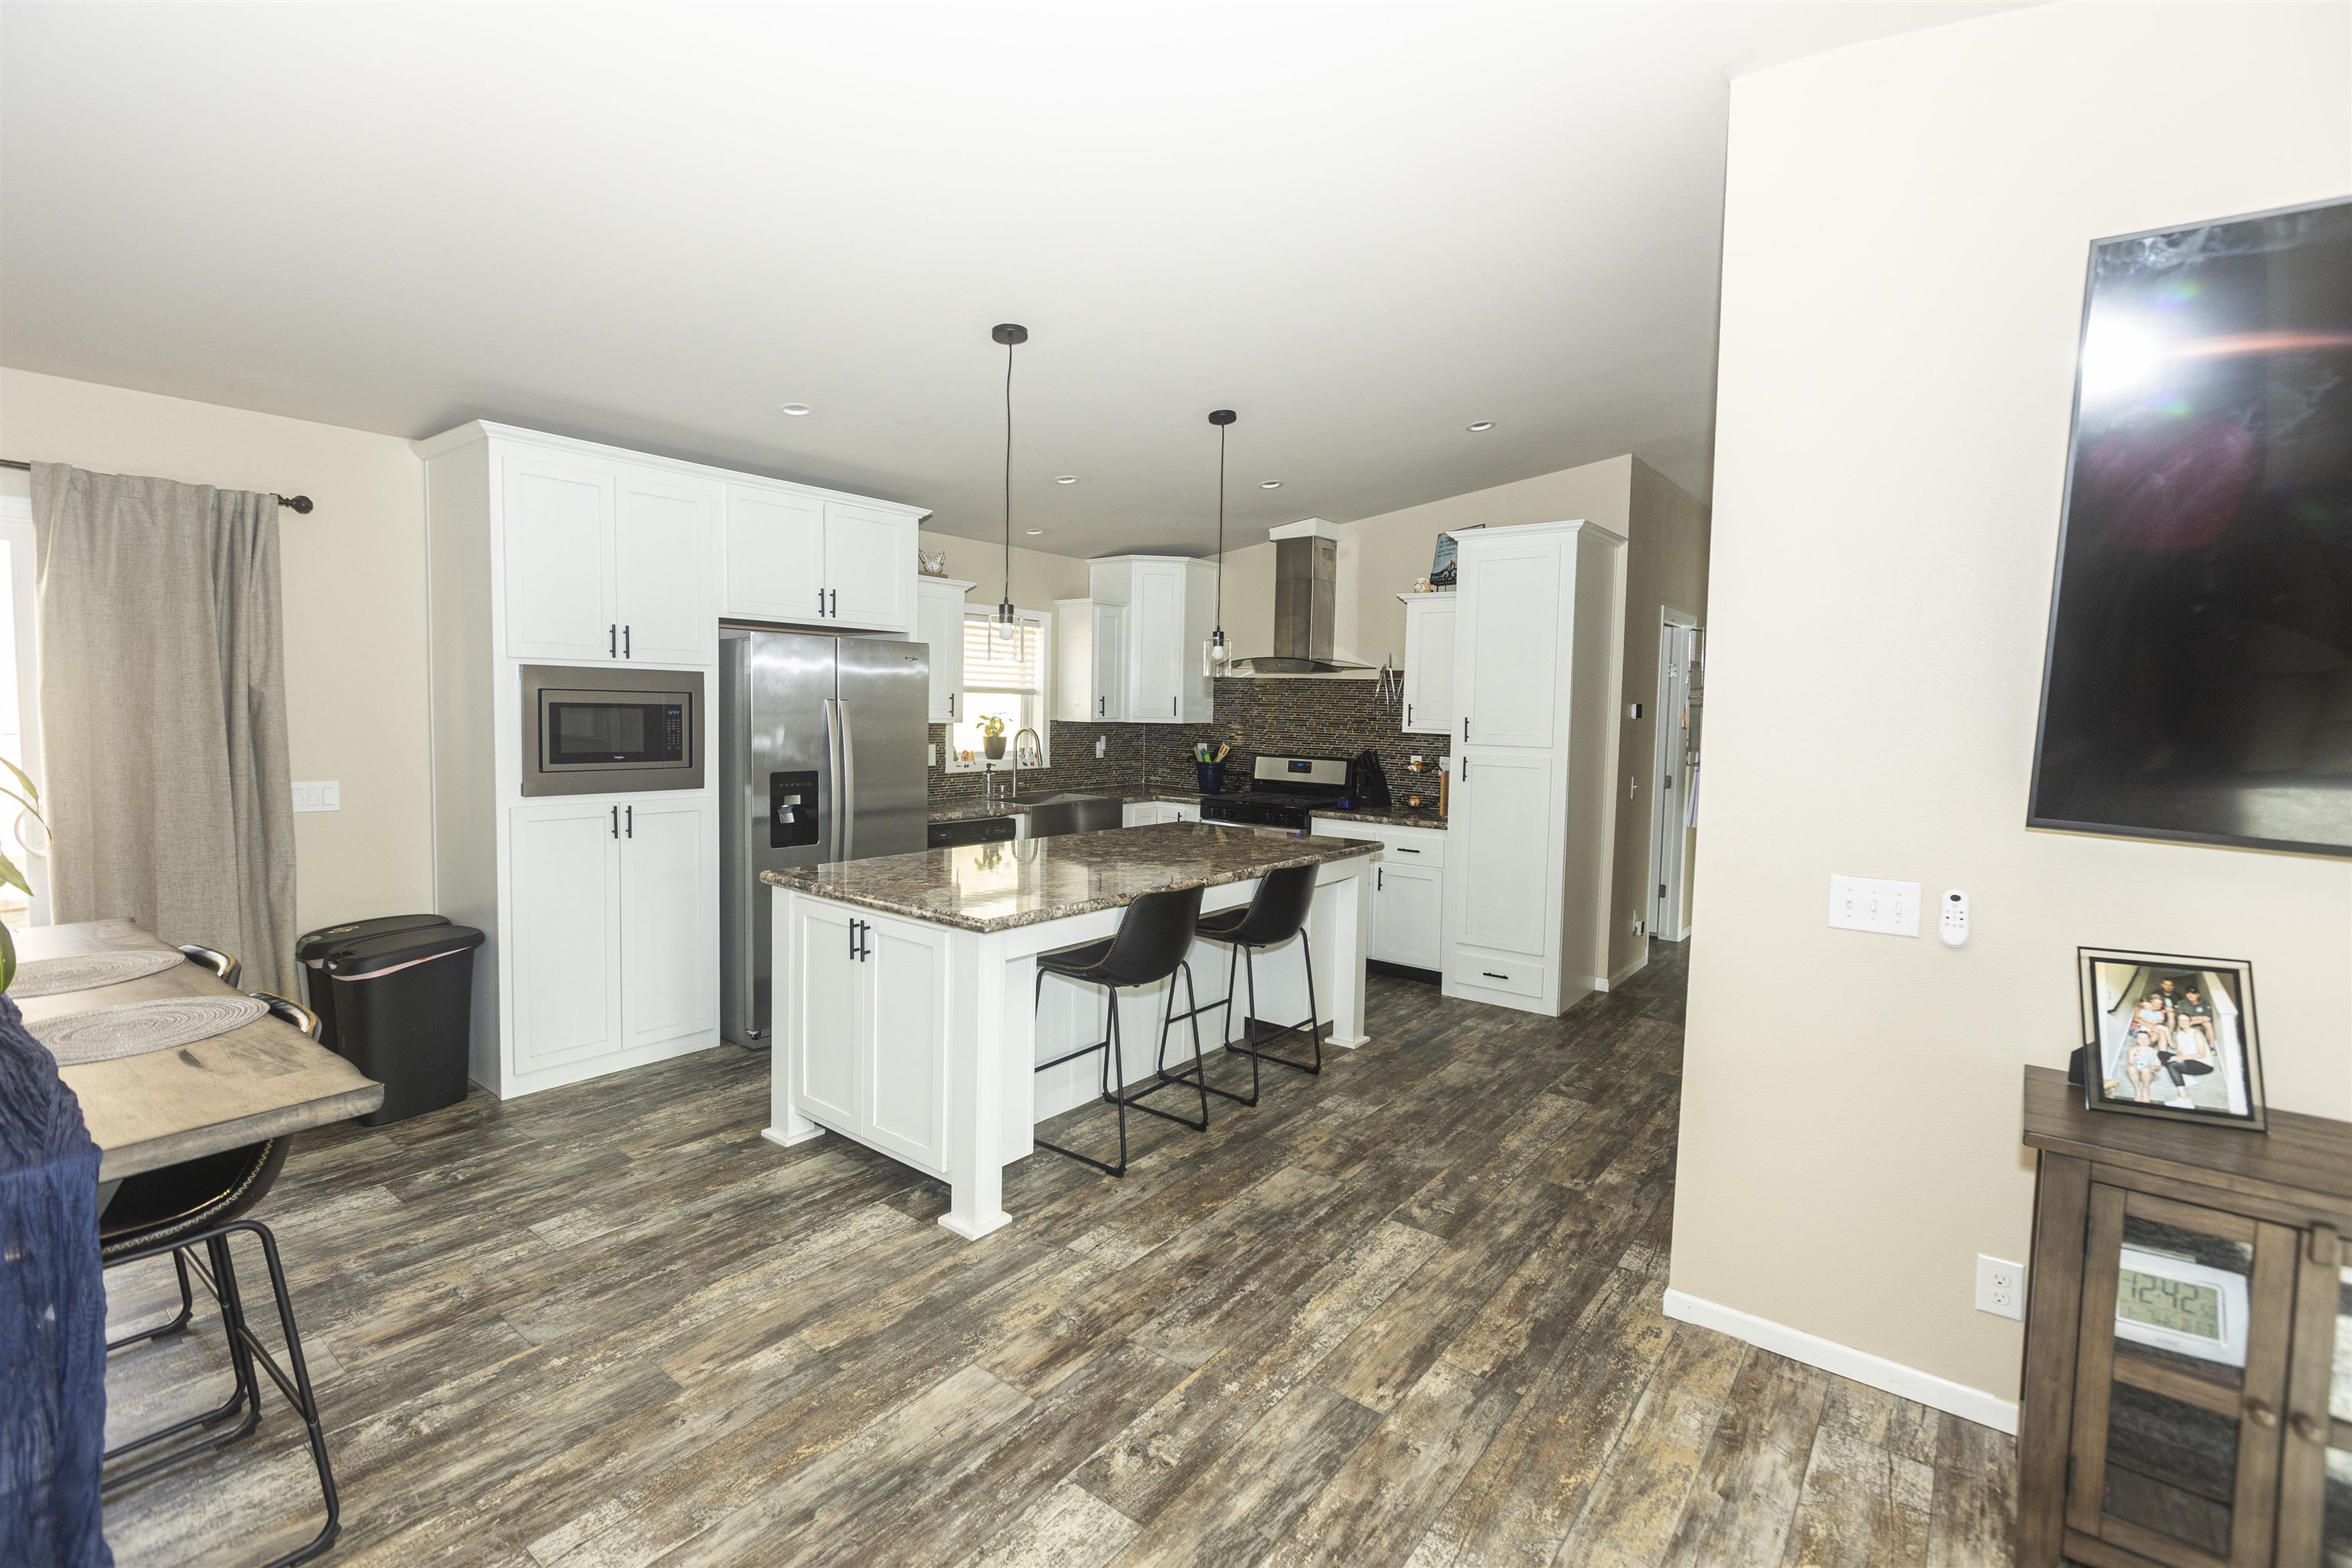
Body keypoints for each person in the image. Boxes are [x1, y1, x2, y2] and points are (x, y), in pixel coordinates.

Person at [2122, 1027, 2164, 1102]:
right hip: (2137, 1073)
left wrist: (2151, 1068)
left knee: (2145, 1070)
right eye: (2140, 1038)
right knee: (2131, 1068)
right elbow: (2130, 1062)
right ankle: (2137, 1090)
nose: (2143, 1040)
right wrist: (2132, 1065)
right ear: (2137, 1040)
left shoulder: (2154, 1052)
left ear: (2149, 1040)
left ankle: (2145, 1090)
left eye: (2145, 1038)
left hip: (2148, 1073)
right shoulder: (2133, 1050)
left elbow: (2158, 1065)